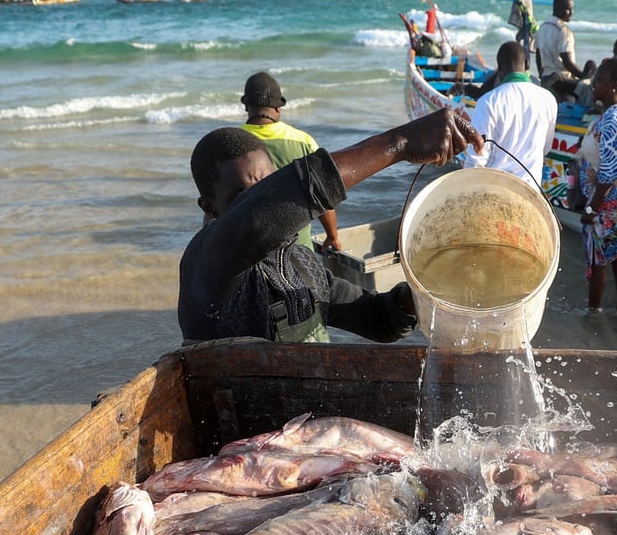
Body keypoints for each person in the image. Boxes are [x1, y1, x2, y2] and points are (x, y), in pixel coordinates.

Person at [180, 108, 482, 344]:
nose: (261, 199)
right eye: (244, 197)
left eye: (269, 184)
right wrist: (398, 143)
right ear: (210, 207)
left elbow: (376, 318)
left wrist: (425, 288)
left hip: (305, 421)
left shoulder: (300, 262)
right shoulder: (205, 263)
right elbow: (260, 220)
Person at [239, 71, 341, 253]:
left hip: (246, 254)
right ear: (278, 107)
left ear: (247, 106)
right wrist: (332, 236)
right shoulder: (303, 141)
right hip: (298, 252)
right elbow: (322, 195)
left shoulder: (232, 142)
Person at [577, 57, 617, 311]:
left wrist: (592, 206)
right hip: (616, 202)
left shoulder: (614, 120)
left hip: (606, 205)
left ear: (615, 85)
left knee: (597, 260)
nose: (593, 84)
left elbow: (611, 169)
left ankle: (593, 315)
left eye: (599, 80)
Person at [463, 41, 558, 182]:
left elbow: (476, 158)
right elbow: (545, 148)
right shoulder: (548, 99)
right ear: (527, 64)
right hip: (531, 190)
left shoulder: (488, 101)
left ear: (499, 68)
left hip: (496, 189)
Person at [535, 0, 597, 102]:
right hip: (559, 79)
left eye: (572, 9)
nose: (571, 13)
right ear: (558, 9)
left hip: (546, 78)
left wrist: (541, 75)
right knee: (591, 66)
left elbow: (538, 55)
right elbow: (567, 61)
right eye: (568, 10)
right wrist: (583, 77)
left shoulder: (542, 27)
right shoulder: (563, 29)